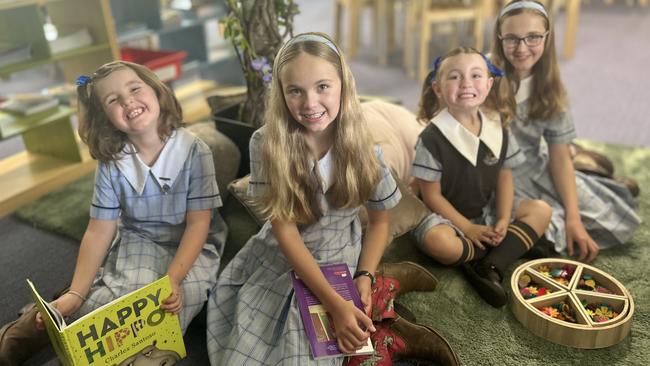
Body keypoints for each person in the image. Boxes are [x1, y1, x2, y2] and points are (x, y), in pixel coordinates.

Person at [205, 32, 457, 366]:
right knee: (243, 349)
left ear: (343, 86)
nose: (310, 104)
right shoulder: (265, 143)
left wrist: (363, 275)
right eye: (295, 90)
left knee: (307, 351)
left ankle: (380, 290)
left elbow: (380, 221)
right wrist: (335, 304)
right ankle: (383, 296)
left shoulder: (365, 149)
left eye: (323, 86)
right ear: (281, 93)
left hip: (338, 251)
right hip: (283, 252)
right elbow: (284, 230)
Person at [0, 60, 227, 365]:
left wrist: (172, 279)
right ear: (105, 118)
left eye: (134, 89)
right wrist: (77, 295)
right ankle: (35, 327)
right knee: (108, 301)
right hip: (139, 240)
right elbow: (99, 230)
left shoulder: (194, 150)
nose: (128, 101)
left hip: (192, 247)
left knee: (167, 309)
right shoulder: (112, 162)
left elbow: (199, 224)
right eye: (113, 100)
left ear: (156, 91)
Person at [490, 0, 641, 263]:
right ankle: (589, 167)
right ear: (499, 37)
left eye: (533, 37)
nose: (522, 48)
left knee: (598, 214)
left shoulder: (549, 87)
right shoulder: (482, 74)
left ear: (547, 39)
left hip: (533, 165)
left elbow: (558, 157)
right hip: (492, 174)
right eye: (512, 38)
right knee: (539, 229)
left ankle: (593, 172)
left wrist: (574, 218)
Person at [411, 46, 553, 308]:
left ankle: (489, 263)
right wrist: (466, 228)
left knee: (542, 210)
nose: (466, 83)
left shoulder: (497, 125)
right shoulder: (431, 139)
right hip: (446, 217)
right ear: (438, 88)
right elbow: (431, 195)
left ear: (488, 84)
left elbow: (504, 177)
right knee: (439, 243)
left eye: (476, 75)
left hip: (485, 207)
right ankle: (505, 251)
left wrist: (502, 218)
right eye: (454, 77)